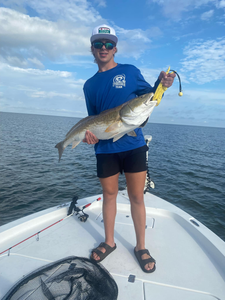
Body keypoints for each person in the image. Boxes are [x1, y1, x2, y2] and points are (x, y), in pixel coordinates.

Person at [83, 24, 175, 273]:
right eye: (99, 44)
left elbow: (150, 98)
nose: (104, 48)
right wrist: (88, 137)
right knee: (109, 196)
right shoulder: (89, 85)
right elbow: (93, 119)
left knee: (136, 197)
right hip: (105, 149)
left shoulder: (130, 71)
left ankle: (141, 246)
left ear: (115, 48)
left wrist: (162, 85)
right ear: (92, 48)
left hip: (134, 145)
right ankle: (109, 242)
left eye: (109, 44)